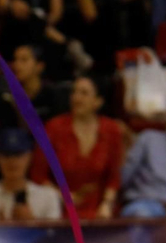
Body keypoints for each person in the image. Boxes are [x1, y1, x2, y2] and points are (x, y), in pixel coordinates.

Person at [32, 76, 125, 218]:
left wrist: (106, 204)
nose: (76, 98)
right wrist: (64, 197)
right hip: (59, 208)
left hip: (99, 210)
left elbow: (114, 177)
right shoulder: (54, 127)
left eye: (84, 93)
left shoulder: (111, 130)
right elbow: (38, 175)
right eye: (74, 92)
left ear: (98, 101)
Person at [0, 128, 64, 221]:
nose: (12, 161)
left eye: (18, 154)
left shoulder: (48, 197)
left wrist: (31, 222)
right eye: (7, 155)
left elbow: (54, 230)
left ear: (29, 156)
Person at [0, 43, 68, 131]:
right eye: (15, 59)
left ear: (39, 66)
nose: (16, 65)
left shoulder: (52, 95)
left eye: (24, 60)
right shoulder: (5, 95)